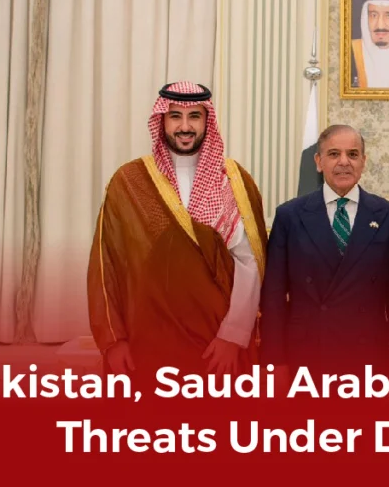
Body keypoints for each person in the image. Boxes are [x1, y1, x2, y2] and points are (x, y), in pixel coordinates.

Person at [86, 81, 268, 382]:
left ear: (207, 121)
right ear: (161, 120)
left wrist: (233, 336)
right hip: (147, 340)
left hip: (216, 342)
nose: (185, 126)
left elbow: (250, 264)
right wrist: (114, 341)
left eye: (194, 116)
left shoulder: (233, 180)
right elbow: (107, 266)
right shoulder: (130, 181)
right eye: (175, 116)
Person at [259, 125, 389, 378]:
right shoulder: (289, 215)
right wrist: (275, 362)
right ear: (318, 162)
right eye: (333, 154)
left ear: (364, 161)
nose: (344, 162)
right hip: (306, 356)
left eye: (352, 154)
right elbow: (273, 297)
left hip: (369, 358)